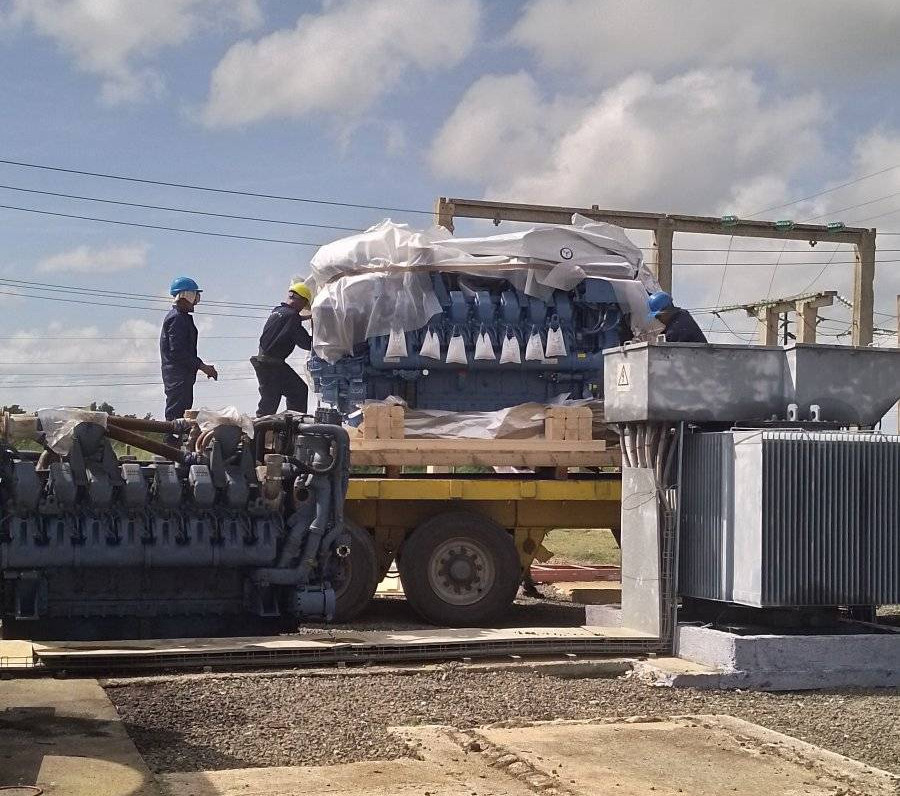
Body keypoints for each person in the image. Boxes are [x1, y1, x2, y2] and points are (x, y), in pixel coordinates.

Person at [159, 276, 217, 423]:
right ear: (186, 296)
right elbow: (177, 352)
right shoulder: (177, 319)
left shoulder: (182, 318)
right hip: (177, 378)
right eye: (195, 296)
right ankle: (171, 444)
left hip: (182, 377)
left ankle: (175, 443)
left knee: (182, 417)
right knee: (176, 419)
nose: (197, 301)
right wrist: (202, 366)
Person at [251, 282, 313, 416]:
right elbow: (305, 343)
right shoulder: (292, 317)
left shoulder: (277, 311)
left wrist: (305, 317)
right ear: (300, 299)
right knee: (298, 392)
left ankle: (260, 434)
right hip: (273, 365)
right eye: (304, 305)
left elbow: (288, 318)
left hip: (263, 362)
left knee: (269, 402)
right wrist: (322, 342)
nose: (303, 308)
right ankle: (294, 427)